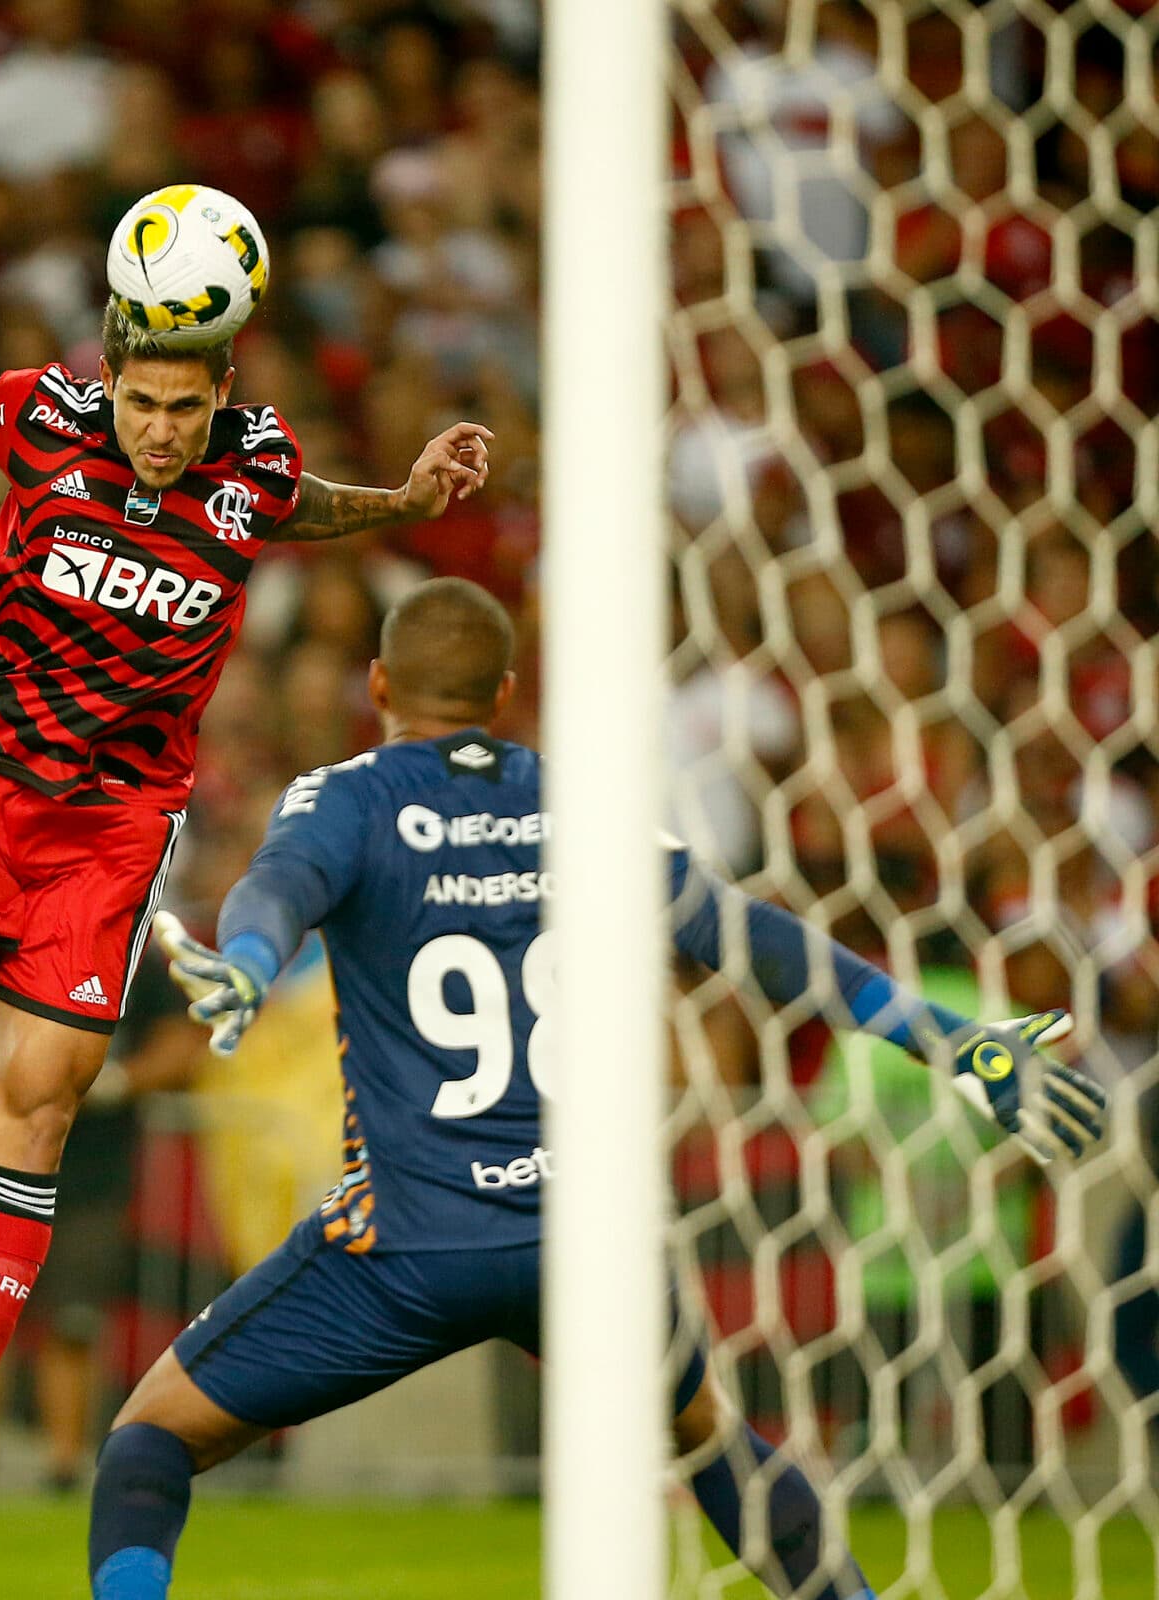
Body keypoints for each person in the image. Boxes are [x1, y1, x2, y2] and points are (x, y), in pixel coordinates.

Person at [82, 578, 1110, 1600]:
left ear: (380, 681)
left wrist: (252, 960)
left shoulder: (346, 796)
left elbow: (278, 888)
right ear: (507, 690)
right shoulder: (577, 798)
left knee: (151, 1438)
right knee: (707, 1433)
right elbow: (749, 934)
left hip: (408, 1245)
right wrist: (946, 1036)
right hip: (582, 1240)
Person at [0, 214, 493, 1571]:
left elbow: (310, 506)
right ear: (108, 377)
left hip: (111, 835)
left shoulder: (259, 466)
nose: (157, 431)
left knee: (36, 1113)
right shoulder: (48, 413)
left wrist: (401, 504)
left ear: (221, 395)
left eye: (183, 408)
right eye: (141, 404)